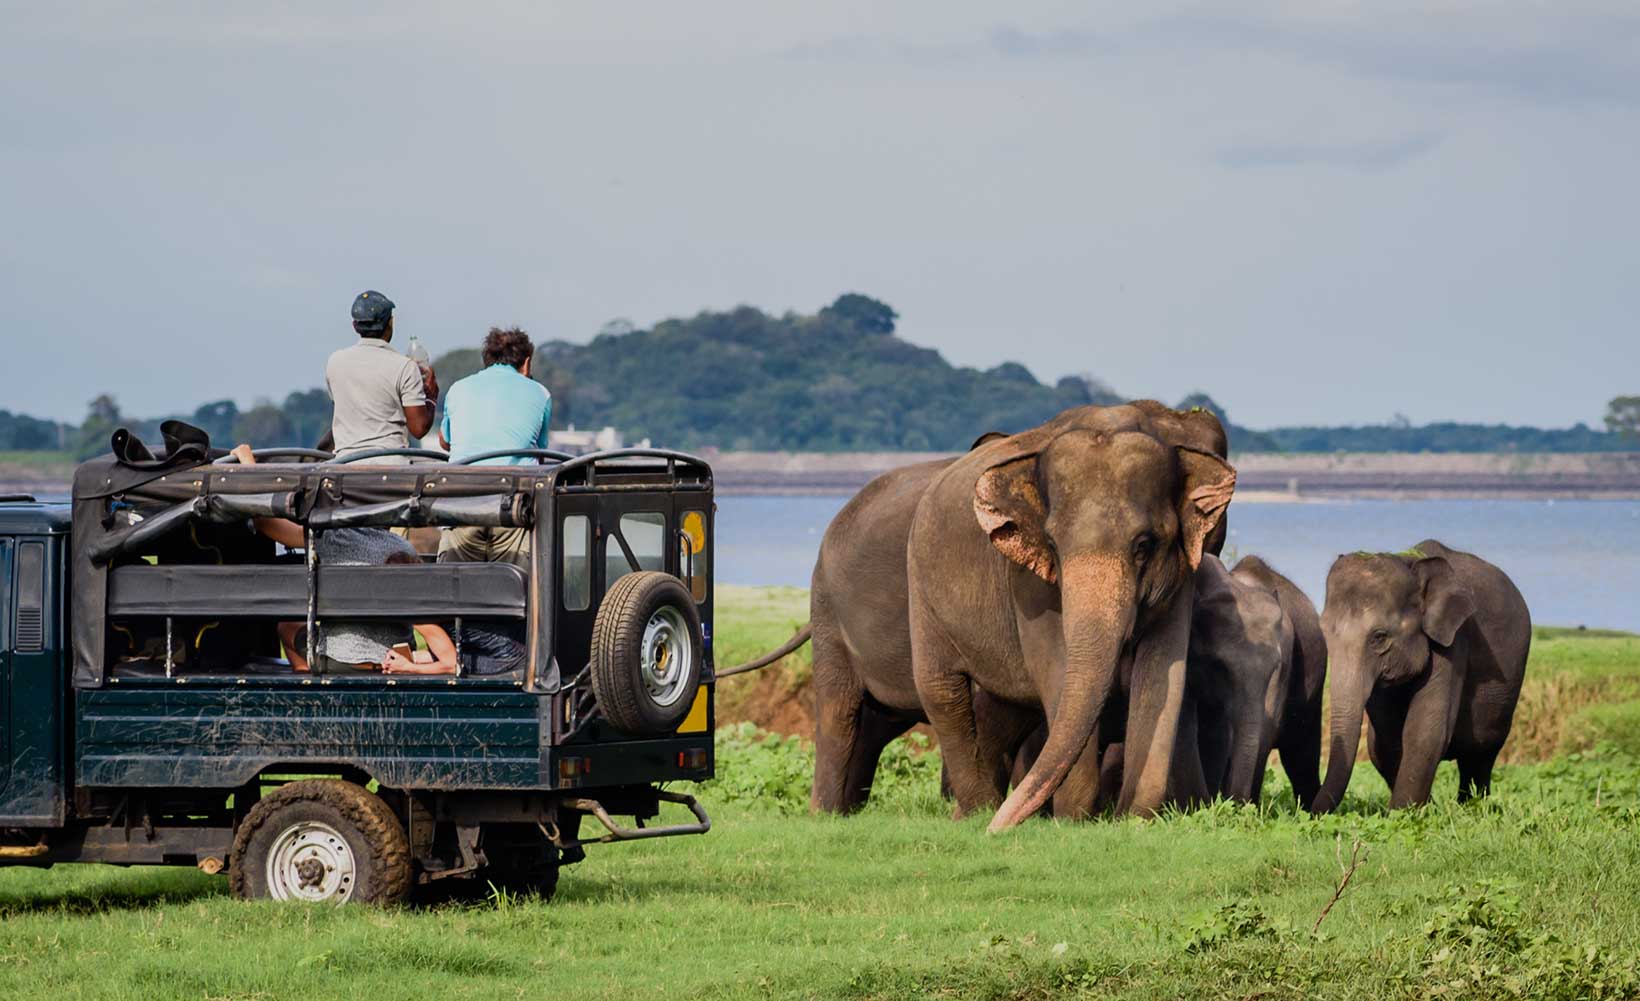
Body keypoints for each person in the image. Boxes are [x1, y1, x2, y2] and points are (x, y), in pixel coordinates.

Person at [230, 444, 459, 675]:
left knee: (287, 628)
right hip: (393, 661)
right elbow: (446, 654)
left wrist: (247, 461)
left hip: (339, 661)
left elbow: (265, 521)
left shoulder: (333, 538)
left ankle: (307, 682)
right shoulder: (403, 548)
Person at [435, 326, 550, 568]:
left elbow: (446, 441)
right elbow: (539, 451)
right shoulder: (540, 393)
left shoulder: (458, 388)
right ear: (526, 363)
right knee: (515, 593)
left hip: (461, 502)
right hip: (512, 505)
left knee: (455, 592)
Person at [325, 290, 440, 462]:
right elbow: (419, 429)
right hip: (391, 465)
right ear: (390, 324)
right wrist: (431, 397)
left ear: (355, 326)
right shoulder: (405, 367)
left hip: (345, 463)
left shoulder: (335, 361)